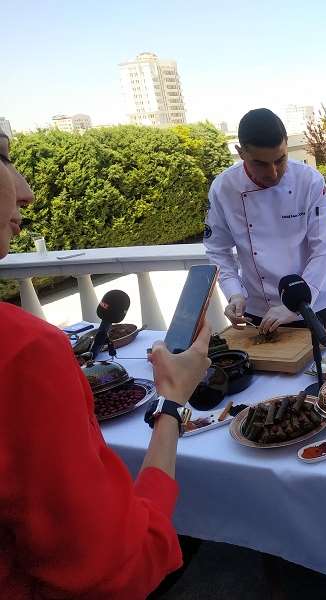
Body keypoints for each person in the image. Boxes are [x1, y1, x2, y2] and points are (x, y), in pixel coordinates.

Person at [0, 146, 212, 598]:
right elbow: (118, 569)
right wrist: (172, 402)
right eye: (3, 157)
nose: (27, 192)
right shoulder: (23, 351)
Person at [204, 108, 326, 341]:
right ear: (241, 153)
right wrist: (234, 293)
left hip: (314, 306)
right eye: (260, 163)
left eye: (280, 160)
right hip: (258, 312)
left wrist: (297, 304)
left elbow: (323, 249)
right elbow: (217, 249)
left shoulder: (309, 181)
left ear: (287, 145)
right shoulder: (223, 187)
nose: (273, 172)